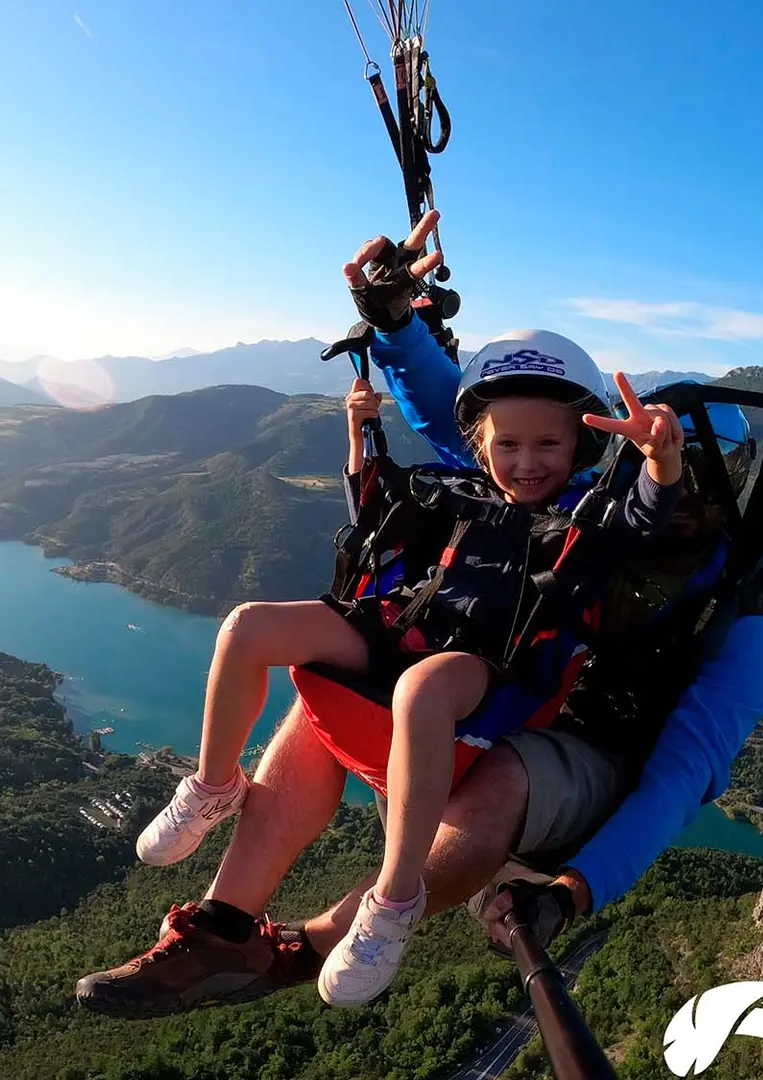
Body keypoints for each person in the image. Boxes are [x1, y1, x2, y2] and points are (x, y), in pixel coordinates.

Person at [74, 212, 763, 1017]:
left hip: (580, 747)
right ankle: (223, 923)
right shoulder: (561, 506)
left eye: (701, 485)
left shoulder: (727, 621)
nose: (686, 502)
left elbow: (677, 781)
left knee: (492, 772)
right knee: (330, 684)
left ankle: (318, 942)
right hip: (485, 679)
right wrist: (397, 323)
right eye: (669, 476)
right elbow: (476, 427)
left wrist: (573, 892)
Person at [118, 311, 685, 1006]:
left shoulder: (579, 519)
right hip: (403, 630)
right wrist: (358, 432)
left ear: (578, 450)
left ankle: (392, 901)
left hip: (486, 663)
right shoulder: (458, 493)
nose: (527, 462)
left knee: (420, 691)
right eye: (508, 444)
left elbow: (639, 522)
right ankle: (215, 787)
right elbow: (371, 518)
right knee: (246, 627)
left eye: (548, 445)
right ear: (480, 446)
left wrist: (660, 460)